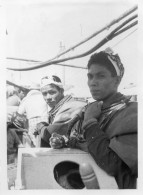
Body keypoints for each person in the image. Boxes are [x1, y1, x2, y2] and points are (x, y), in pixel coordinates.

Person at [50, 48, 137, 189]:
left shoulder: (131, 113)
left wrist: (90, 122)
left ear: (117, 80)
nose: (92, 82)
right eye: (90, 76)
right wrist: (65, 142)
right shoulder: (88, 110)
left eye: (100, 76)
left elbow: (113, 165)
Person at [35, 75, 87, 147]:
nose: (48, 97)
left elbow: (49, 135)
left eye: (52, 92)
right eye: (44, 94)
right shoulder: (59, 107)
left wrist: (40, 126)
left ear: (61, 91)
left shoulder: (70, 106)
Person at [14, 83, 48, 147]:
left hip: (32, 121)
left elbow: (19, 113)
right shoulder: (44, 97)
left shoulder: (26, 99)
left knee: (34, 141)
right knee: (45, 141)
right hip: (45, 120)